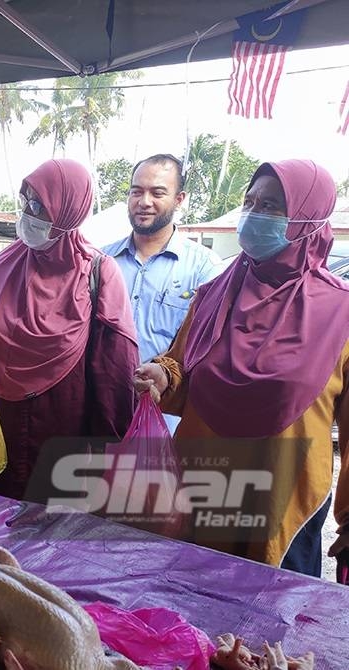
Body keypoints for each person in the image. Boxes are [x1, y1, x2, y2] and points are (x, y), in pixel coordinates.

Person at [134, 159, 349, 577]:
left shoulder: (341, 312)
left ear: (308, 217)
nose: (252, 216)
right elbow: (180, 365)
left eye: (270, 205)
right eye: (249, 202)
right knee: (186, 624)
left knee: (261, 635)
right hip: (198, 497)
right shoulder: (216, 293)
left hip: (280, 509)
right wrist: (163, 376)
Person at [0, 158, 138, 501]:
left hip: (64, 446)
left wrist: (108, 461)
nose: (27, 213)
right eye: (26, 202)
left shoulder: (97, 273)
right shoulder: (2, 267)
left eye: (39, 204)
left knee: (48, 547)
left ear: (68, 209)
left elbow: (114, 377)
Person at [103, 154, 224, 433]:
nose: (144, 202)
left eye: (157, 192)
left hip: (163, 423)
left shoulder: (204, 269)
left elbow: (204, 354)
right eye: (136, 191)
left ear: (179, 199)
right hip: (102, 417)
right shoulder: (102, 261)